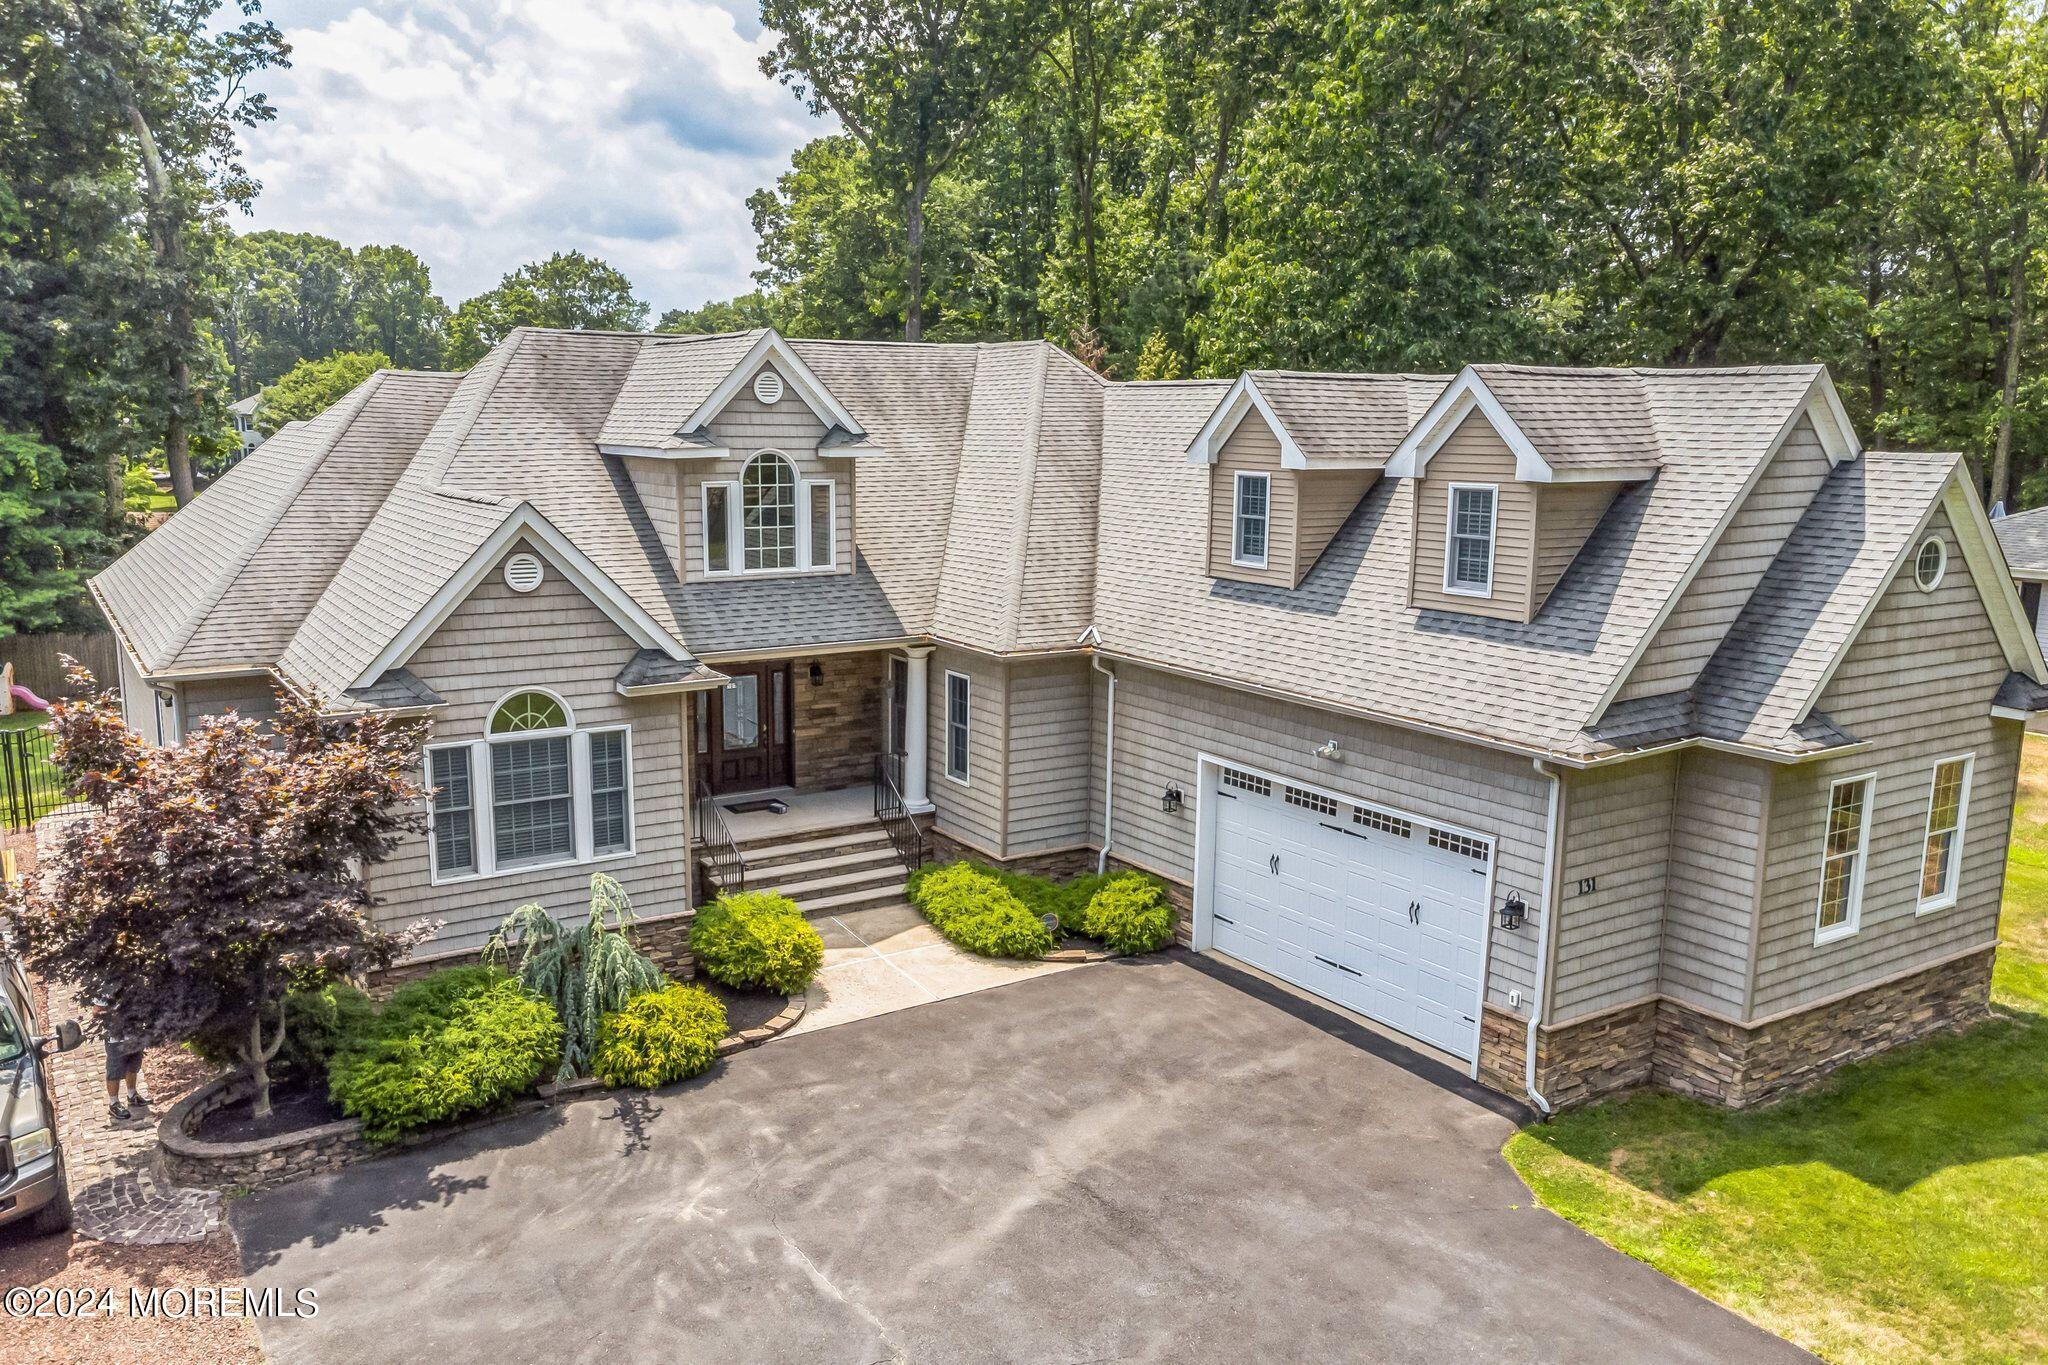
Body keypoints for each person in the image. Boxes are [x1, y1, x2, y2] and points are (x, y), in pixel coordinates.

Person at [91, 999, 149, 1121]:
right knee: (114, 1071)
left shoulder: (134, 983)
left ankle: (132, 1095)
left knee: (133, 1066)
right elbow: (96, 1012)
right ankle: (114, 1103)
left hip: (135, 1034)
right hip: (115, 1039)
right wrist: (116, 1014)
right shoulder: (106, 988)